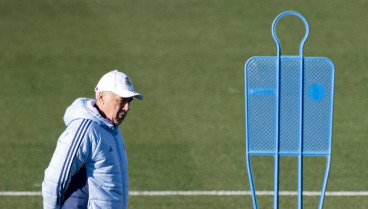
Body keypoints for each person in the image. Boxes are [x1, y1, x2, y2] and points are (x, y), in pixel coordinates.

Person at [42, 70, 143, 209]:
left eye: (129, 101)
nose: (127, 107)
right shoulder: (84, 130)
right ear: (101, 97)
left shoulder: (112, 130)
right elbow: (55, 180)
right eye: (121, 100)